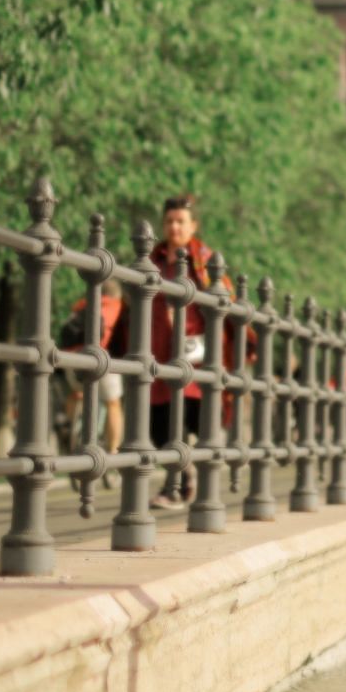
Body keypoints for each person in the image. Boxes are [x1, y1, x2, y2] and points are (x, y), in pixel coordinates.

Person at [106, 193, 223, 508]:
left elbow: (224, 305)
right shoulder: (153, 261)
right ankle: (184, 478)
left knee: (187, 422)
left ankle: (179, 487)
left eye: (181, 221)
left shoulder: (206, 262)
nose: (174, 227)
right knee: (157, 426)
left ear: (193, 225)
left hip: (193, 357)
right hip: (155, 358)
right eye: (169, 221)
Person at [60, 278, 127, 469]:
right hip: (99, 359)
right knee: (113, 403)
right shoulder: (115, 306)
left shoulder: (82, 305)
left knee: (77, 392)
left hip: (72, 359)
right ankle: (113, 451)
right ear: (116, 294)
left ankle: (69, 425)